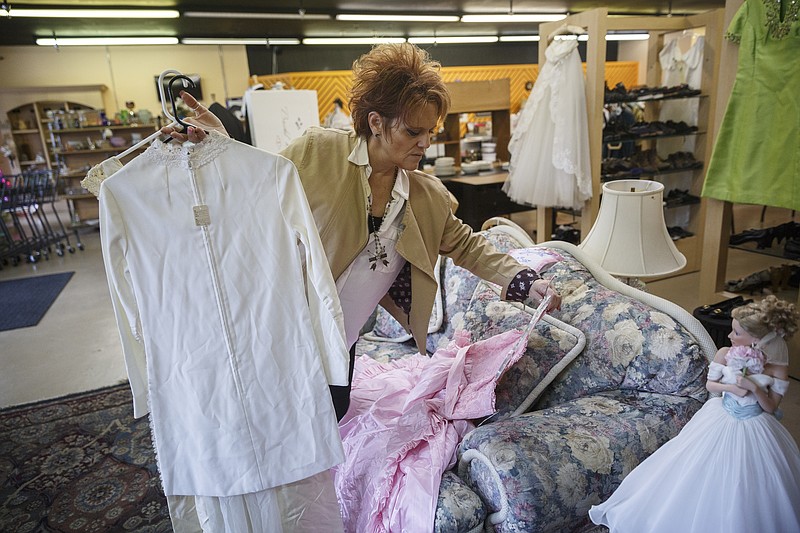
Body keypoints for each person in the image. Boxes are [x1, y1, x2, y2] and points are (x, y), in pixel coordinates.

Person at [163, 42, 561, 421]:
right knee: (274, 424)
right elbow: (257, 185)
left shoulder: (425, 196)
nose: (424, 143)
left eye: (430, 132)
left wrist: (521, 278)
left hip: (343, 337)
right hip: (285, 328)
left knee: (331, 417)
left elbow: (465, 244)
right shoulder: (318, 152)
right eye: (412, 132)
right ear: (376, 122)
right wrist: (224, 146)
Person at [589, 295, 800, 533]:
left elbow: (771, 407)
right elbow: (712, 386)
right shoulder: (724, 353)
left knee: (753, 482)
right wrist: (731, 387)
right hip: (722, 416)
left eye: (737, 333)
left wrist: (755, 388)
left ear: (756, 339)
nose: (730, 337)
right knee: (693, 469)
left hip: (755, 423)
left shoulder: (778, 368)